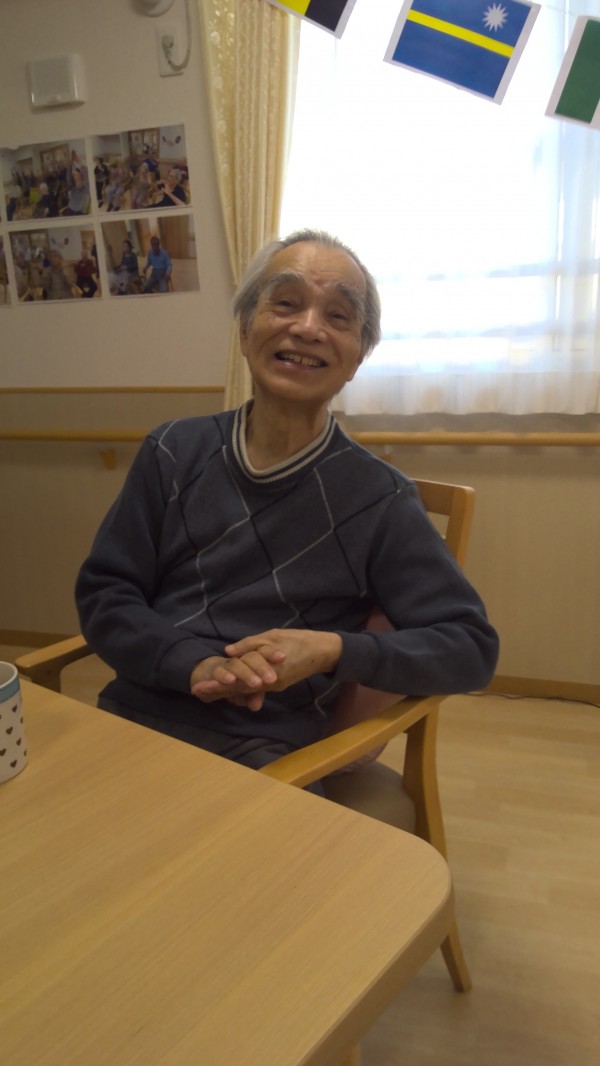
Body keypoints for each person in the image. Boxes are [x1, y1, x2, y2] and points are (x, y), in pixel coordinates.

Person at [76, 229, 498, 783]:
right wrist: (195, 663)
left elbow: (470, 648)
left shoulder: (381, 498)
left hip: (266, 755)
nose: (308, 328)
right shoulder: (172, 451)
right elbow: (106, 593)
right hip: (130, 719)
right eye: (286, 303)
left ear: (358, 357)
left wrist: (330, 650)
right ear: (244, 328)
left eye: (338, 316)